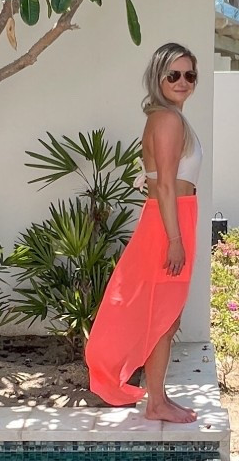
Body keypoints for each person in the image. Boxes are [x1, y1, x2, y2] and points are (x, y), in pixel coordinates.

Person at [85, 42, 202, 422]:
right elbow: (166, 185)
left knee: (163, 316)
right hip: (170, 222)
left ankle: (157, 399)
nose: (182, 81)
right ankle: (156, 402)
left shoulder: (169, 117)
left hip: (175, 218)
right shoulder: (167, 120)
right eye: (174, 75)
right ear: (158, 78)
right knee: (162, 317)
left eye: (189, 74)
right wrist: (174, 239)